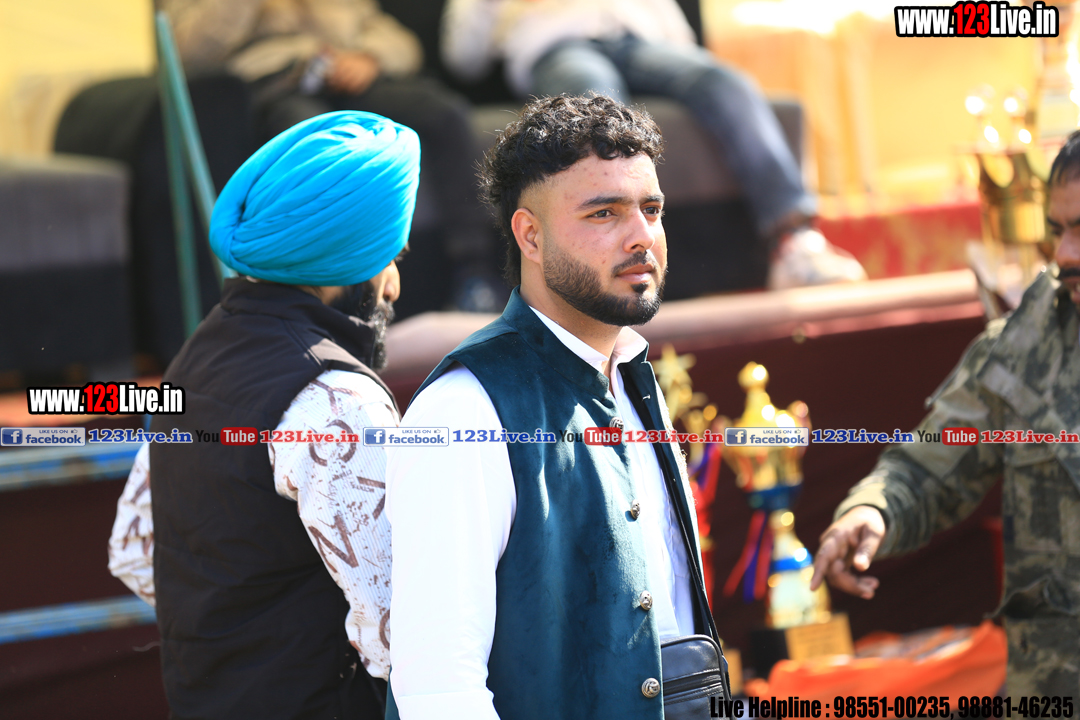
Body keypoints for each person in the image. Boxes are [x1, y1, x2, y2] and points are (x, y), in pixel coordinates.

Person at [384, 94, 724, 720]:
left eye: (651, 209)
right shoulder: (462, 411)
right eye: (604, 213)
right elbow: (438, 690)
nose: (642, 237)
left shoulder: (635, 378)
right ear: (530, 236)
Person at [107, 111, 418, 719]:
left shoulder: (194, 359)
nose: (394, 285)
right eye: (390, 256)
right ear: (347, 258)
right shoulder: (337, 400)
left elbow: (133, 549)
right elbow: (401, 631)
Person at [810, 131, 1080, 696]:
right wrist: (873, 511)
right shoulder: (1024, 347)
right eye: (1058, 231)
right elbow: (928, 468)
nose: (1065, 255)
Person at [440, 0, 867, 291]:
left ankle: (794, 242)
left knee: (726, 84)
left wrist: (681, 60)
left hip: (642, 42)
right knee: (596, 106)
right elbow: (462, 57)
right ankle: (614, 267)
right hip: (557, 47)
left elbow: (677, 31)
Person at [159, 0, 504, 313]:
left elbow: (400, 41)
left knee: (445, 114)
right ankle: (330, 294)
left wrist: (370, 58)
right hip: (275, 83)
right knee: (319, 147)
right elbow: (187, 52)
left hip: (345, 74)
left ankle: (473, 272)